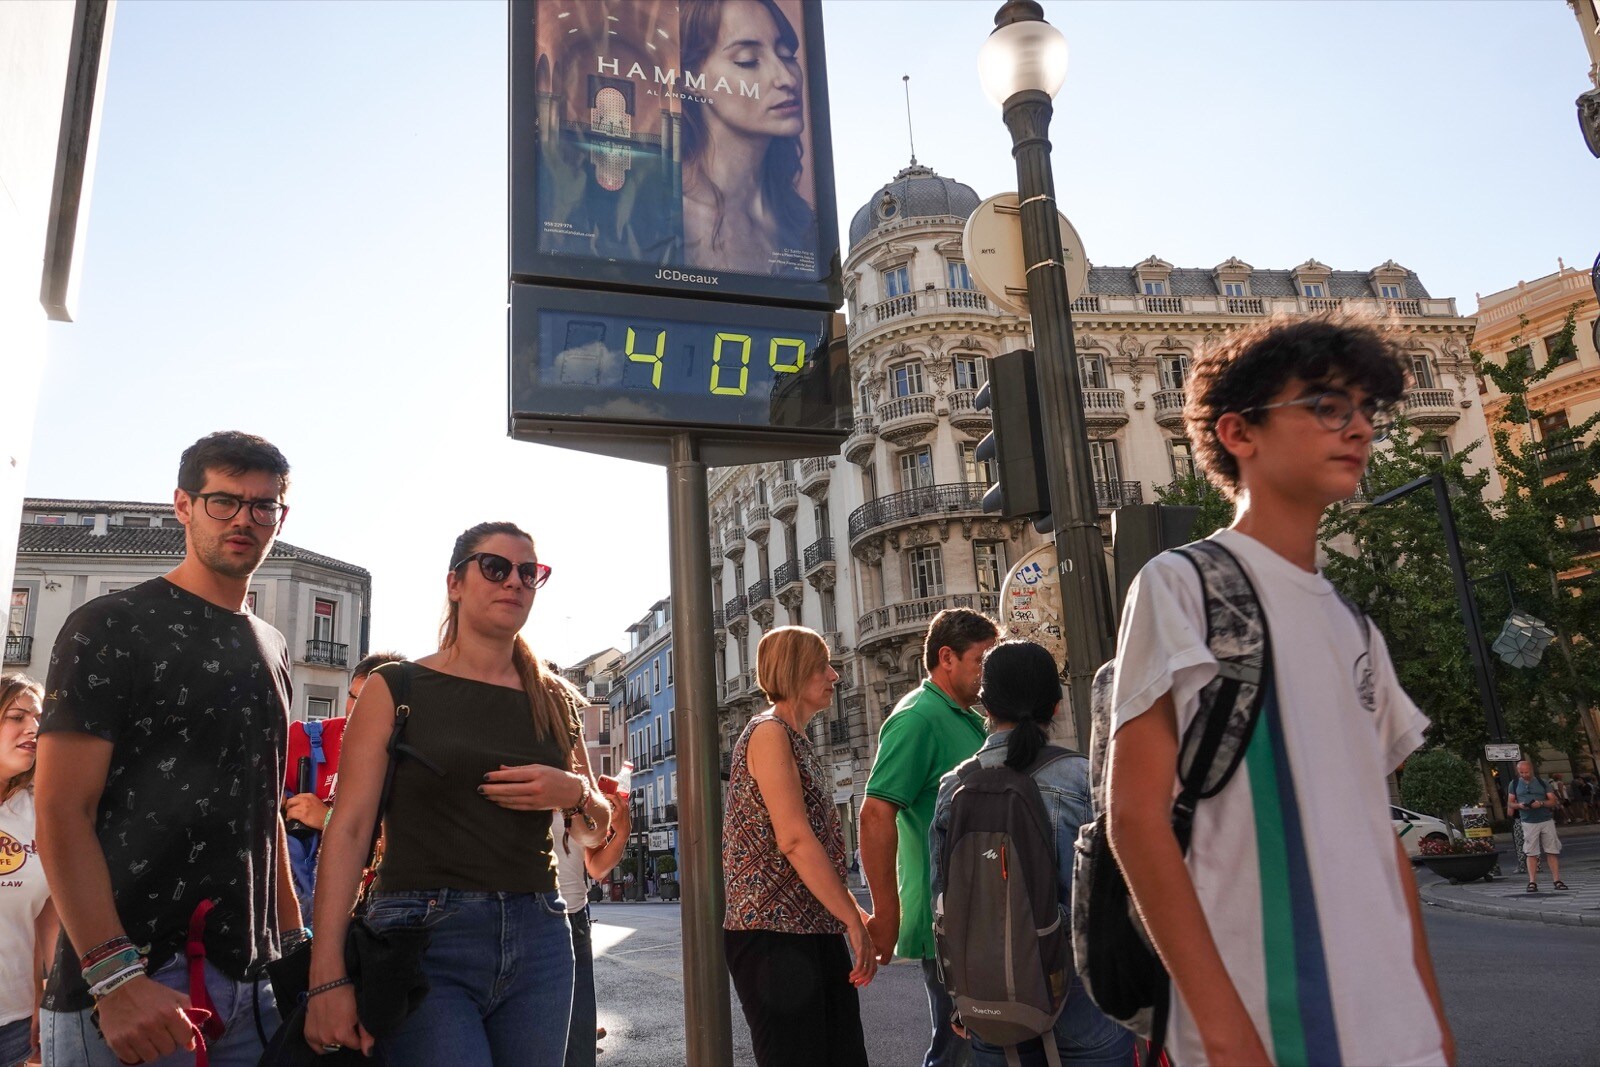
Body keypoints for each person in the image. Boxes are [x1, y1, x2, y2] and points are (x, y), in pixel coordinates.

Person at [1105, 314, 1454, 1067]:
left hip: (1399, 1034)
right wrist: (1224, 1031)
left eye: (1365, 409)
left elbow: (1382, 843)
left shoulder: (1357, 626)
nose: (1358, 427)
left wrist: (1432, 1018)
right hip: (1271, 1028)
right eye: (1328, 405)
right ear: (1239, 432)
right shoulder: (1184, 585)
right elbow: (1133, 818)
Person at [36, 431, 298, 1067]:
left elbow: (267, 814)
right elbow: (61, 811)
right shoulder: (109, 625)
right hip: (134, 985)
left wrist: (297, 951)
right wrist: (116, 980)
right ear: (182, 505)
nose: (245, 519)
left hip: (251, 983)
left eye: (265, 506)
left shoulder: (272, 644)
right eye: (224, 501)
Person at [305, 522, 610, 1067]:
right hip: (424, 937)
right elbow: (348, 829)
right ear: (455, 582)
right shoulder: (396, 688)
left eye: (529, 573)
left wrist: (576, 792)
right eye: (495, 568)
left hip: (541, 934)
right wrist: (325, 976)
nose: (513, 582)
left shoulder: (555, 699)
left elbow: (593, 833)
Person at [930, 642, 1132, 1067]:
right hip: (1083, 996)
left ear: (985, 704)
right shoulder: (1084, 777)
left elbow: (943, 903)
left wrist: (959, 998)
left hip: (991, 999)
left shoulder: (955, 786)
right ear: (1055, 707)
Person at [723, 626, 873, 1067]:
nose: (835, 676)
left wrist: (854, 915)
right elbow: (793, 837)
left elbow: (813, 850)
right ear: (795, 671)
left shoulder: (795, 737)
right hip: (771, 934)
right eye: (822, 666)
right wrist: (851, 917)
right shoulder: (768, 732)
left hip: (808, 929)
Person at [859, 608, 997, 1067]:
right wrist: (886, 913)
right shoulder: (917, 718)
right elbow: (876, 814)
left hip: (973, 912)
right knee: (960, 1051)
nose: (986, 671)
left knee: (979, 1045)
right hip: (944, 917)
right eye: (980, 659)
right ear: (947, 658)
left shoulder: (965, 716)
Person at [678, 0, 817, 277]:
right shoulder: (657, 215)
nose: (786, 77)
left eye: (788, 55)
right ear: (691, 79)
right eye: (748, 60)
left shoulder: (806, 228)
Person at [281, 651, 407, 920]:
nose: (355, 708)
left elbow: (405, 845)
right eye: (352, 696)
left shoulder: (413, 759)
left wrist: (326, 818)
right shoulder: (304, 736)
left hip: (372, 910)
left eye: (368, 699)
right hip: (300, 911)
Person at [0, 674, 57, 1067]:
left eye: (39, 719)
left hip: (14, 1026)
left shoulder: (42, 810)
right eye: (17, 716)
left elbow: (43, 921)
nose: (33, 728)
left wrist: (44, 1005)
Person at [557, 774, 629, 1067]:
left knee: (579, 1052)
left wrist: (621, 832)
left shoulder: (575, 772)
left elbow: (595, 866)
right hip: (527, 911)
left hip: (575, 917)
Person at [1507, 760, 1566, 891]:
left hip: (1546, 820)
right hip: (1528, 821)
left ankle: (1557, 880)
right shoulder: (1514, 784)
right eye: (1521, 772)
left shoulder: (1542, 782)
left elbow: (1553, 801)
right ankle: (1532, 882)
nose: (1524, 774)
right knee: (1531, 852)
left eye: (1526, 772)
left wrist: (1541, 803)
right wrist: (1519, 806)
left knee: (1552, 850)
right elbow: (1510, 803)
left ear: (1531, 769)